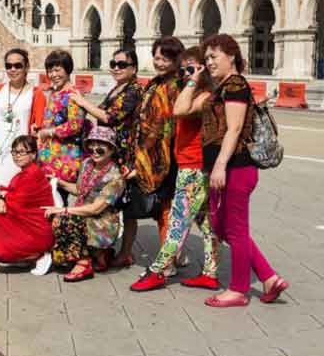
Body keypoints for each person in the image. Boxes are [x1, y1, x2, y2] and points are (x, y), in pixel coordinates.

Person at [185, 34, 288, 307]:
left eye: (214, 56)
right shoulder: (220, 87)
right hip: (225, 169)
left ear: (231, 56)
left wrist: (220, 165)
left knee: (236, 230)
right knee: (222, 227)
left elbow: (233, 128)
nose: (209, 62)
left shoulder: (235, 85)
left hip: (236, 168)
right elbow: (182, 110)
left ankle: (238, 290)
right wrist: (196, 79)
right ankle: (268, 277)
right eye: (206, 57)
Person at [131, 47, 220, 291]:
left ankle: (158, 270)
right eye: (182, 70)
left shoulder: (206, 94)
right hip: (189, 163)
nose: (184, 74)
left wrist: (193, 81)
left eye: (191, 69)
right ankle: (210, 273)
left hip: (194, 165)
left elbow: (178, 111)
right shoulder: (193, 91)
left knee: (177, 223)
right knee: (206, 224)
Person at [114, 38, 183, 269]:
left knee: (164, 209)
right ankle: (125, 252)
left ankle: (169, 260)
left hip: (164, 156)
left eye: (166, 58)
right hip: (142, 154)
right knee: (131, 206)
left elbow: (165, 126)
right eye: (157, 57)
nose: (160, 63)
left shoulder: (177, 85)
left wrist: (143, 161)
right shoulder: (155, 83)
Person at [70, 49, 142, 270]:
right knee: (110, 204)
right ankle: (104, 250)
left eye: (122, 64)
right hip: (110, 152)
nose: (117, 68)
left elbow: (109, 117)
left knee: (128, 208)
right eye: (114, 63)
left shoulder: (134, 90)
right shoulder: (117, 89)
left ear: (134, 68)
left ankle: (125, 252)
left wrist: (82, 102)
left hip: (125, 156)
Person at [46, 126, 125, 282]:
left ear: (111, 150)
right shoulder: (88, 164)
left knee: (64, 219)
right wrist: (58, 182)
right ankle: (98, 255)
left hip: (102, 223)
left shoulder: (116, 177)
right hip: (85, 214)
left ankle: (84, 263)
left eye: (100, 147)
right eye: (91, 145)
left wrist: (64, 209)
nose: (94, 150)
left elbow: (96, 208)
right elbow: (79, 190)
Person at [0, 48, 46, 201]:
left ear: (27, 67)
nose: (12, 69)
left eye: (17, 65)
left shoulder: (36, 94)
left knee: (15, 206)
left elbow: (38, 129)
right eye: (8, 66)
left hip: (19, 160)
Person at [0, 135, 54, 271]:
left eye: (22, 152)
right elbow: (10, 195)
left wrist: (1, 199)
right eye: (14, 152)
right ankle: (20, 254)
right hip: (30, 222)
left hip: (36, 228)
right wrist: (1, 198)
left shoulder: (32, 174)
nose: (17, 156)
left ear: (33, 155)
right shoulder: (26, 172)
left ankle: (34, 254)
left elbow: (17, 203)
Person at [37, 49, 86, 206]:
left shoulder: (72, 94)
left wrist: (48, 132)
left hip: (64, 158)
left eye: (57, 70)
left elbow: (75, 125)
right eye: (50, 71)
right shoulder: (56, 92)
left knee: (57, 201)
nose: (53, 75)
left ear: (68, 69)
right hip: (49, 156)